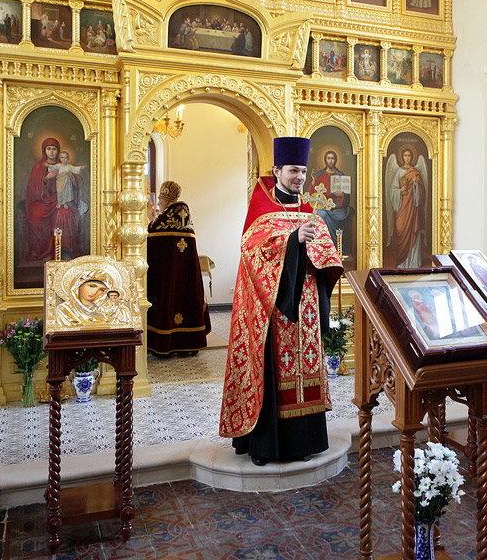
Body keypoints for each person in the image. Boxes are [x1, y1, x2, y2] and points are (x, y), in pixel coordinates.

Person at [220, 137, 343, 466]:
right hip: (273, 309)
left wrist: (323, 252)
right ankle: (265, 447)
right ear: (277, 171)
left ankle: (305, 442)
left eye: (302, 171)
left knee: (306, 371)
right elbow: (253, 252)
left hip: (307, 308)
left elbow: (325, 254)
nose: (299, 177)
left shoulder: (310, 212)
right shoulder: (261, 211)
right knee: (275, 373)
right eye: (292, 171)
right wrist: (292, 241)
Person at [146, 180, 211, 358]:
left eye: (160, 200)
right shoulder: (187, 223)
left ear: (166, 202)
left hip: (166, 279)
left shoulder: (158, 225)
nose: (159, 203)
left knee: (167, 301)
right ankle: (189, 344)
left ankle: (165, 344)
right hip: (186, 279)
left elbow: (151, 252)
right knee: (186, 299)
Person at [385, 147, 427, 267]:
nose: (407, 158)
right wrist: (400, 190)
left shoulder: (415, 172)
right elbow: (392, 190)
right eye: (405, 155)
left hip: (413, 208)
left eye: (409, 155)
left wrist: (415, 183)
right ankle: (402, 262)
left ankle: (413, 262)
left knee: (413, 231)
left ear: (412, 157)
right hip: (401, 207)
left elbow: (422, 193)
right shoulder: (398, 171)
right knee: (400, 229)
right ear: (402, 157)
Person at [25, 138, 60, 261]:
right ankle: (40, 252)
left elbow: (71, 185)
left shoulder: (62, 165)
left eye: (54, 149)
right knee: (35, 216)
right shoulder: (38, 167)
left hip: (58, 200)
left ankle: (58, 252)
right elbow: (33, 188)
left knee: (62, 215)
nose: (51, 152)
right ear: (44, 150)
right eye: (49, 149)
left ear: (58, 151)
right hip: (41, 201)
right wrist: (45, 179)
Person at [310, 149, 351, 253]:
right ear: (325, 160)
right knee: (321, 214)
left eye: (332, 158)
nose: (330, 161)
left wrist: (341, 195)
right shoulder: (319, 175)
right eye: (328, 158)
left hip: (337, 206)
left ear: (335, 160)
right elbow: (312, 194)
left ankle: (337, 249)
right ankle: (323, 248)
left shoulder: (340, 175)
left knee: (341, 216)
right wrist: (314, 181)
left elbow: (347, 196)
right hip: (323, 204)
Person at [50, 150, 86, 258]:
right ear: (60, 158)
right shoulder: (58, 166)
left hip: (66, 183)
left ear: (68, 158)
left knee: (66, 193)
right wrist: (48, 166)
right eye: (62, 157)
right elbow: (52, 168)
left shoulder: (69, 167)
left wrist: (80, 168)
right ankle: (60, 202)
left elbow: (75, 169)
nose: (64, 159)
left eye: (65, 157)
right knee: (60, 193)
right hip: (59, 182)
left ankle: (64, 202)